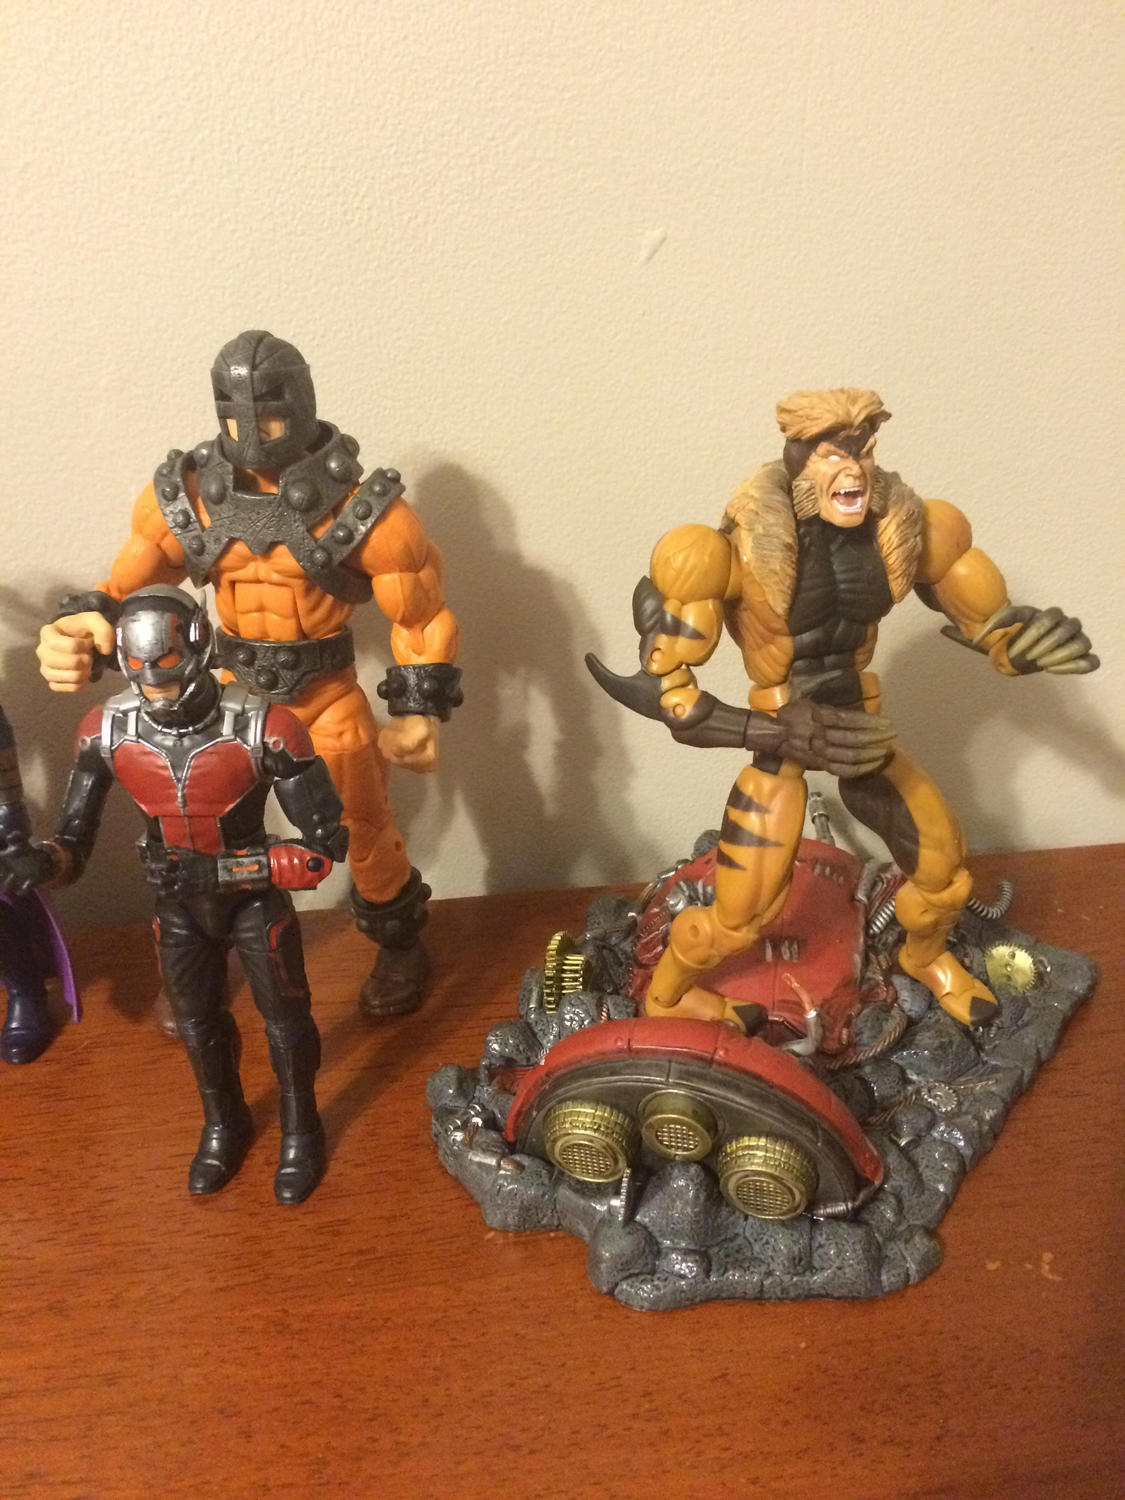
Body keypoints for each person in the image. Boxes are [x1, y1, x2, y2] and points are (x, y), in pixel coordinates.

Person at [589, 387, 1098, 1028]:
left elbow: (991, 624)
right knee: (741, 915)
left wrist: (1015, 647)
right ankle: (667, 998)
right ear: (798, 458)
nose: (853, 469)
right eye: (833, 454)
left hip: (858, 726)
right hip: (778, 733)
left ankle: (924, 958)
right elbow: (671, 698)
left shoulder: (910, 529)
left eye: (863, 450)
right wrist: (772, 731)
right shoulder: (721, 551)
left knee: (945, 872)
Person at [37, 331, 461, 1018]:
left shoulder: (363, 507)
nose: (254, 432)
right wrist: (79, 629)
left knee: (361, 823)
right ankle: (198, 965)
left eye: (269, 414)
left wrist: (417, 709)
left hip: (325, 696)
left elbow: (420, 615)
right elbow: (122, 595)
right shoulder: (189, 498)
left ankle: (398, 941)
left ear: (301, 403)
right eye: (238, 416)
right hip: (227, 702)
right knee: (198, 832)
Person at [5, 586, 349, 1202]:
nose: (158, 692)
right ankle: (223, 1123)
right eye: (143, 676)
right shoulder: (106, 731)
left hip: (251, 901)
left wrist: (227, 874)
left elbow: (322, 850)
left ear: (199, 649)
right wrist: (43, 862)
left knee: (286, 1022)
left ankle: (302, 1128)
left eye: (168, 672)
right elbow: (74, 845)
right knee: (196, 1024)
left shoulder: (264, 726)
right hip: (178, 906)